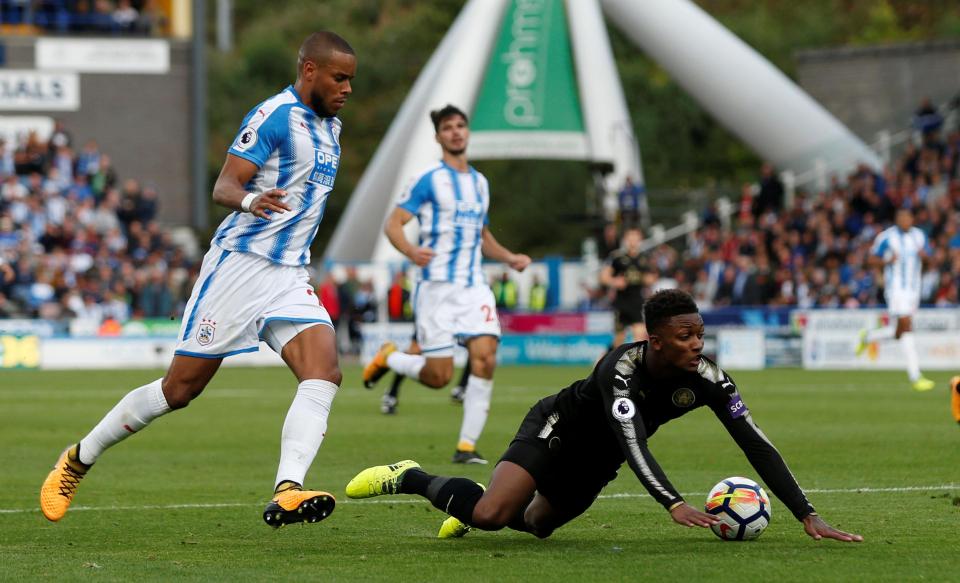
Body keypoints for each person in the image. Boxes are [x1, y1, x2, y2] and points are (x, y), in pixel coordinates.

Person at [39, 31, 357, 529]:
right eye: (340, 78)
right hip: (238, 267)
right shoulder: (273, 116)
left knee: (324, 373)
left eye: (351, 81)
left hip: (289, 274)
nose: (347, 89)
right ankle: (78, 458)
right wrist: (252, 200)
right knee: (179, 390)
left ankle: (288, 489)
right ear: (310, 70)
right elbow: (225, 185)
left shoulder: (332, 130)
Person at [345, 289, 863, 544]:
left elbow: (755, 442)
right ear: (654, 341)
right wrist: (673, 503)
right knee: (490, 517)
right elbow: (634, 439)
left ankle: (474, 500)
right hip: (555, 431)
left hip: (598, 463)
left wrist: (805, 512)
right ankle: (411, 477)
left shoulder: (708, 378)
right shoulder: (620, 368)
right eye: (686, 336)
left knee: (535, 526)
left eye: (700, 334)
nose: (697, 344)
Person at [362, 104, 531, 464]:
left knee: (485, 359)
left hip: (473, 287)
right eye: (448, 127)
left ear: (467, 132)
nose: (456, 132)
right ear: (438, 137)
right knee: (439, 377)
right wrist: (410, 250)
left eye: (461, 126)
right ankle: (391, 357)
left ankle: (466, 446)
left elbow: (482, 234)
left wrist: (508, 257)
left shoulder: (480, 183)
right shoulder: (428, 179)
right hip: (436, 288)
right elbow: (394, 223)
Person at [855, 208, 934, 391]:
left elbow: (929, 260)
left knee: (900, 331)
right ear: (897, 220)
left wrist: (926, 258)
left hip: (914, 289)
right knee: (906, 327)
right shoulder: (886, 237)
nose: (905, 220)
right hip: (896, 289)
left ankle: (868, 336)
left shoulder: (919, 236)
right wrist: (887, 261)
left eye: (908, 217)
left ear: (912, 219)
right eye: (901, 218)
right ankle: (916, 376)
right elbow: (871, 260)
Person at [377, 331, 472, 415]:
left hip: (461, 313)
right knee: (415, 351)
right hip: (434, 313)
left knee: (477, 347)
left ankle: (461, 388)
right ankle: (390, 359)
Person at [600, 227, 653, 346]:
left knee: (640, 337)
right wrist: (614, 281)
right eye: (630, 236)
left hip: (637, 301)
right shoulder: (617, 257)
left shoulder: (645, 258)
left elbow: (651, 277)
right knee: (619, 340)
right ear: (625, 239)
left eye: (636, 236)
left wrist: (647, 279)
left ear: (640, 238)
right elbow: (603, 277)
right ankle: (604, 361)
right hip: (621, 302)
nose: (633, 239)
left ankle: (637, 364)